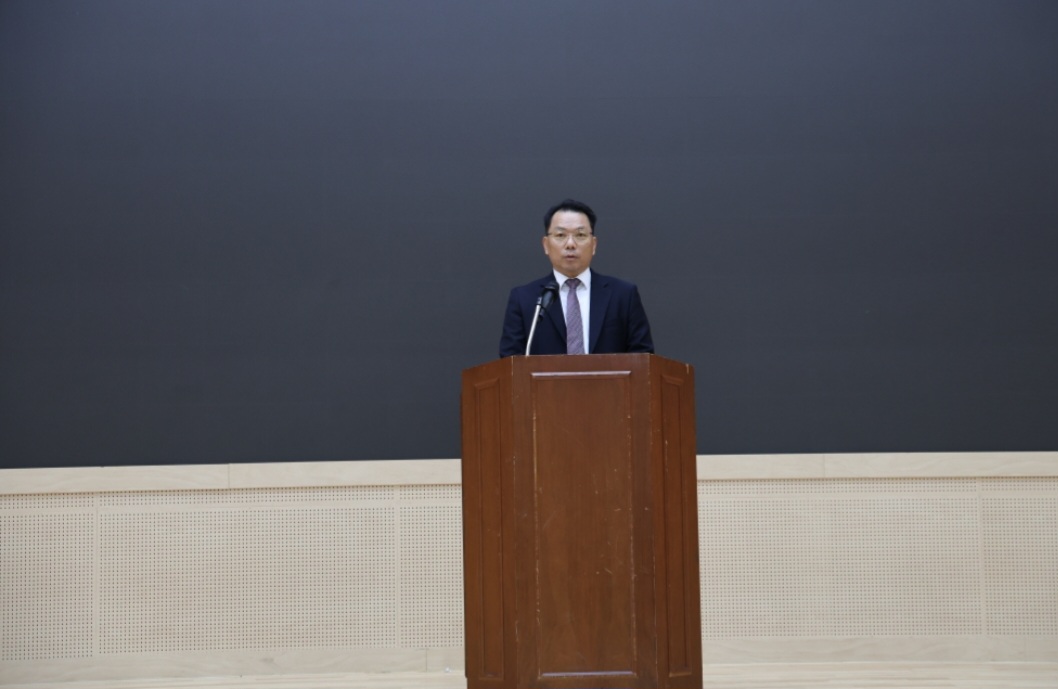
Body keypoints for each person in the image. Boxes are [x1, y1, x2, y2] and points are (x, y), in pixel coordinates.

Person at [499, 199, 654, 357]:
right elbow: (510, 360)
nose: (570, 244)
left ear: (594, 245)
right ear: (546, 245)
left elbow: (644, 357)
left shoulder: (623, 295)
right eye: (560, 235)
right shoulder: (524, 298)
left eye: (580, 235)